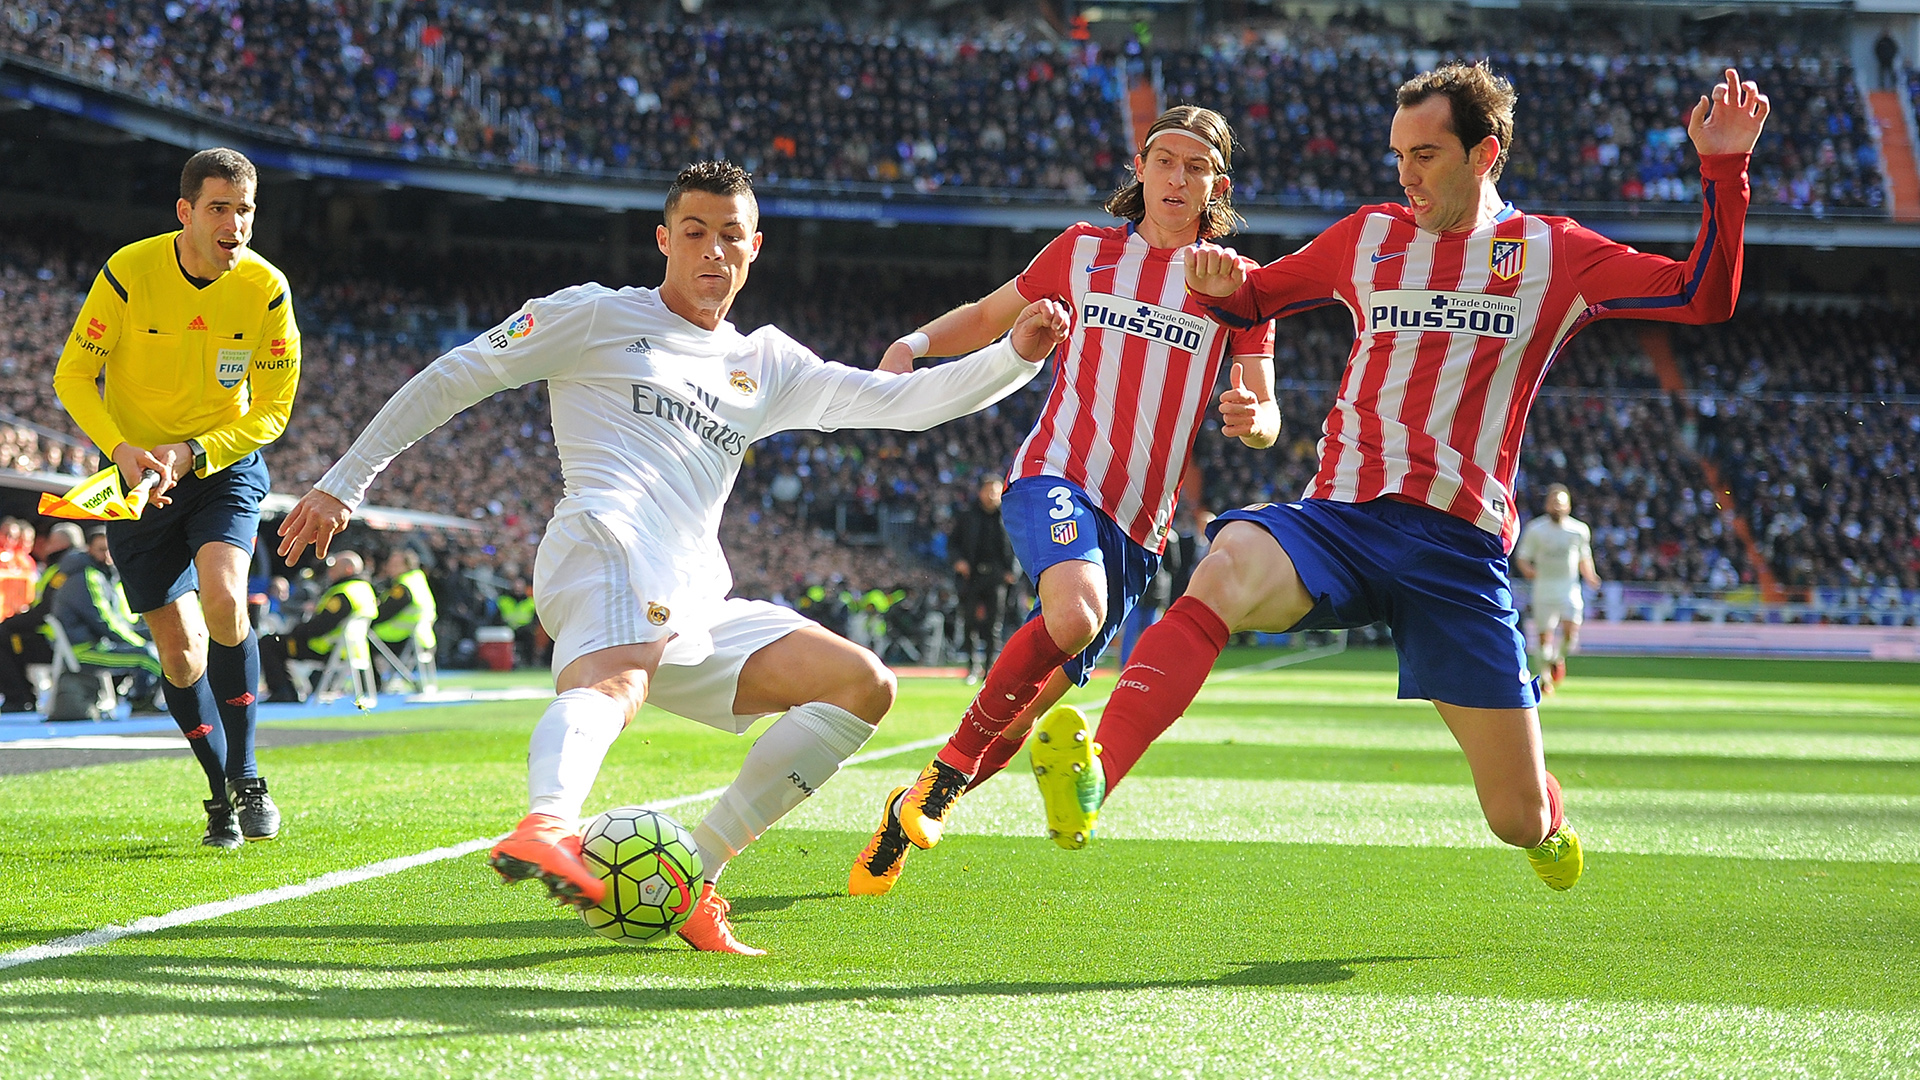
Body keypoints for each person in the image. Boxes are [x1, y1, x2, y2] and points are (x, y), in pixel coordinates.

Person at [276, 161, 1068, 954]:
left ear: (755, 247)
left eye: (730, 235)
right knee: (616, 682)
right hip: (605, 543)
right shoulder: (592, 314)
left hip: (692, 594)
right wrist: (345, 481)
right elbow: (457, 374)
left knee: (861, 685)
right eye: (694, 232)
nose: (712, 250)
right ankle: (548, 823)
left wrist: (1015, 356)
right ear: (663, 240)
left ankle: (694, 874)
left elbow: (906, 404)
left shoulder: (768, 364)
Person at [1038, 64, 1770, 892]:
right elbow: (1257, 299)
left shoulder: (1551, 252)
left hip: (1456, 551)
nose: (1406, 176)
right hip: (1343, 520)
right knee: (1225, 564)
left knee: (1515, 817)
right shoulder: (1369, 236)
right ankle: (1098, 771)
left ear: (1485, 154)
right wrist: (1221, 288)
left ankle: (1548, 815)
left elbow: (1702, 296)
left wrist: (1724, 171)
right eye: (1398, 155)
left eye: (1425, 155)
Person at [850, 105, 1279, 897]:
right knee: (1075, 616)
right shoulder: (1083, 251)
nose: (1177, 178)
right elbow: (988, 316)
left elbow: (1265, 408)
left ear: (1217, 186)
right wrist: (913, 345)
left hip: (1139, 529)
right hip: (1057, 474)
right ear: (1140, 170)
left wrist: (1255, 420)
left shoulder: (1238, 284)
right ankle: (942, 779)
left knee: (1024, 715)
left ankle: (907, 812)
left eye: (1196, 167)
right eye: (1165, 160)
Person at [52, 147, 299, 845]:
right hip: (138, 482)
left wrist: (195, 452)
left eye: (245, 210)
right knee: (181, 654)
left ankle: (248, 776)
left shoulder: (267, 288)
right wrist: (120, 450)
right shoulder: (129, 272)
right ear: (185, 212)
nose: (234, 224)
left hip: (222, 466)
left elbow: (274, 409)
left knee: (223, 596)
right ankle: (218, 793)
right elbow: (73, 376)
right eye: (219, 208)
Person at [52, 528, 164, 715]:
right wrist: (138, 643)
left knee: (161, 641)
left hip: (100, 643)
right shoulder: (87, 577)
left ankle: (141, 699)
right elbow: (104, 622)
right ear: (89, 549)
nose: (106, 555)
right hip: (84, 649)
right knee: (148, 656)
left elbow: (119, 620)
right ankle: (141, 703)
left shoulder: (105, 574)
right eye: (101, 549)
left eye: (109, 549)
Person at [259, 551, 379, 704]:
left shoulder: (344, 592)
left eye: (334, 567)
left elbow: (321, 626)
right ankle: (290, 691)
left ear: (348, 569)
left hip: (324, 648)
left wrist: (296, 632)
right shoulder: (364, 588)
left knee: (269, 643)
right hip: (353, 648)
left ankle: (283, 692)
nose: (330, 571)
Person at [1514, 483, 1599, 690]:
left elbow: (1584, 557)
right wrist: (1529, 571)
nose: (1557, 507)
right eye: (1553, 502)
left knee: (1571, 633)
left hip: (1569, 588)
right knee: (1544, 636)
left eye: (1561, 503)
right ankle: (1545, 678)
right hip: (1544, 588)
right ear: (1546, 505)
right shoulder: (1536, 529)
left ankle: (1557, 658)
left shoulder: (1579, 530)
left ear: (1568, 506)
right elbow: (1523, 557)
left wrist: (1591, 576)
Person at [0, 522, 87, 712]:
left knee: (2, 636)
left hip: (59, 642)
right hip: (74, 637)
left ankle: (19, 698)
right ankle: (22, 696)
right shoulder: (81, 566)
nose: (46, 545)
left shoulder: (63, 570)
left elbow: (46, 611)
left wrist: (11, 623)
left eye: (51, 541)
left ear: (60, 544)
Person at [948, 475, 1016, 682]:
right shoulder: (967, 516)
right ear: (980, 492)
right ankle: (972, 667)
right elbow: (953, 543)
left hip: (997, 577)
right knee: (969, 622)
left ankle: (989, 669)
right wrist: (959, 561)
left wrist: (1012, 572)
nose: (992, 495)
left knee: (994, 625)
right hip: (972, 575)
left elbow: (1019, 546)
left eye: (996, 491)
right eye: (988, 490)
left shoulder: (1009, 516)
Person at [372, 548, 437, 684]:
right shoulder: (418, 580)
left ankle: (372, 684)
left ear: (407, 566)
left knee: (361, 637)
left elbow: (384, 612)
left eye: (395, 564)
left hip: (398, 637)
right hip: (421, 637)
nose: (389, 567)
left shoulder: (403, 586)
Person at [495, 579, 540, 668]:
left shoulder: (530, 602)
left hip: (525, 629)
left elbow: (535, 620)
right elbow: (497, 618)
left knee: (529, 636)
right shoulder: (503, 601)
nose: (518, 589)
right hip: (507, 629)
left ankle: (529, 662)